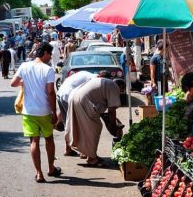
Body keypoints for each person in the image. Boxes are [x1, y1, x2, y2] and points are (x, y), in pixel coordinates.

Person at [11, 42, 61, 183]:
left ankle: (39, 173)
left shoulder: (24, 66)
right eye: (50, 54)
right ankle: (51, 168)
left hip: (28, 111)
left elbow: (13, 83)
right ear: (44, 52)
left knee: (34, 141)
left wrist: (24, 83)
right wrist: (54, 111)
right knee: (49, 139)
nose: (51, 57)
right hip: (44, 111)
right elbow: (51, 92)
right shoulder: (48, 70)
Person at [64, 75, 124, 167]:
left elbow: (104, 111)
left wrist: (111, 123)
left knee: (82, 127)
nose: (120, 93)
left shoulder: (106, 83)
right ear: (120, 87)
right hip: (82, 100)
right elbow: (112, 110)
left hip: (74, 97)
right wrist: (113, 127)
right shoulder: (114, 87)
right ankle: (92, 158)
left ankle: (87, 153)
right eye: (121, 91)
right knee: (94, 128)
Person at [56, 70, 98, 156]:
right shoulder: (94, 79)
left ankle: (68, 149)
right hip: (68, 96)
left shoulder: (85, 74)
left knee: (67, 124)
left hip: (60, 94)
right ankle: (83, 152)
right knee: (79, 124)